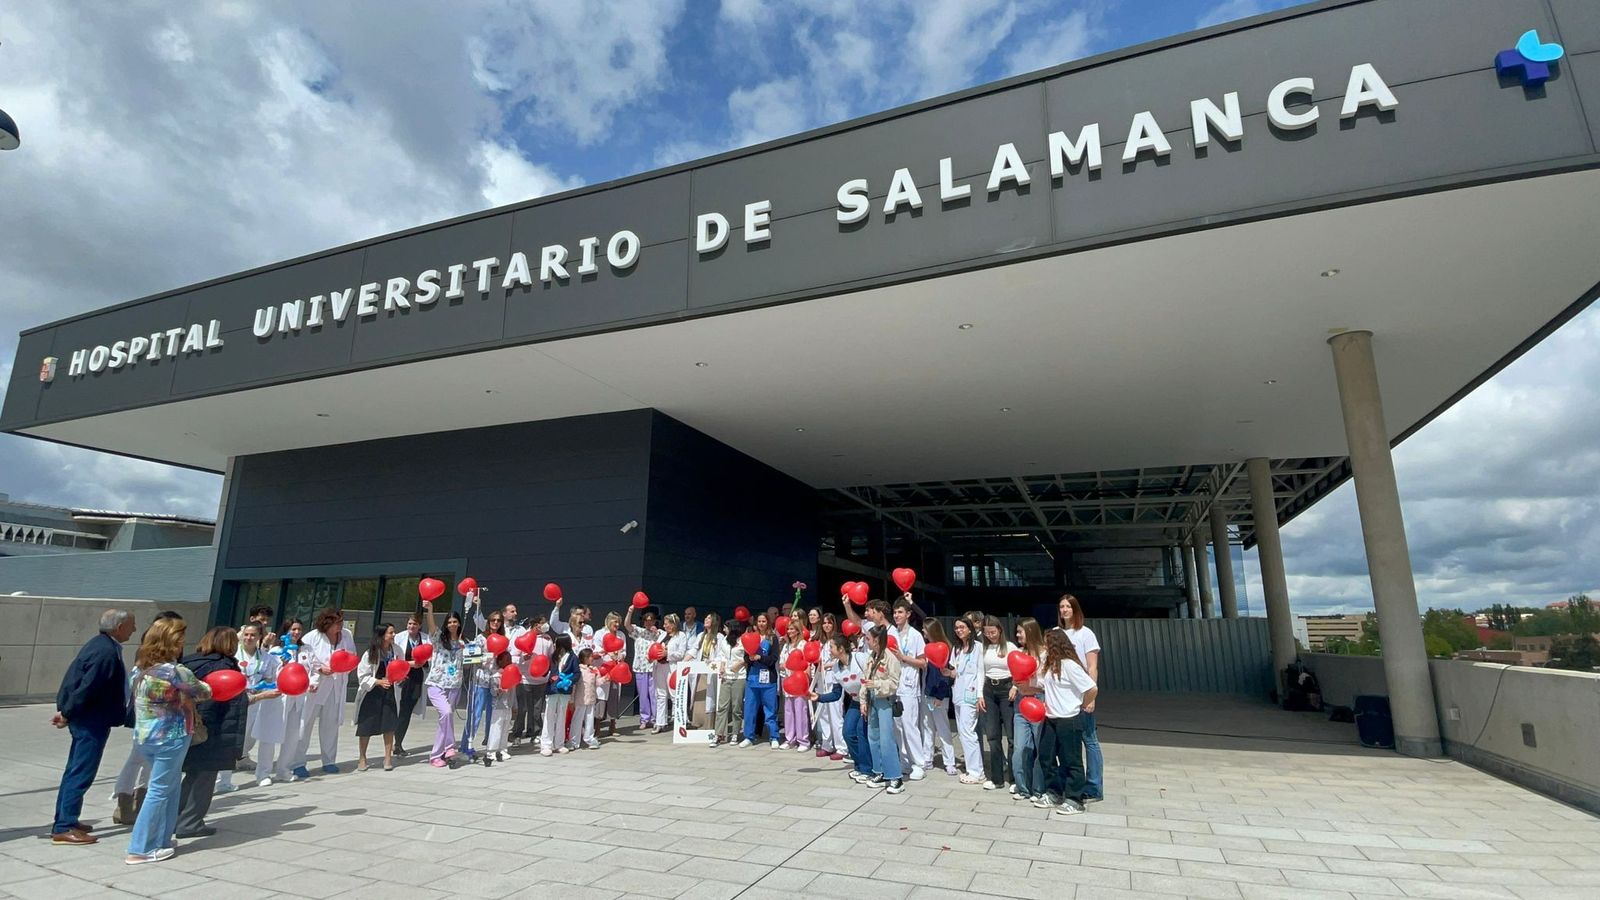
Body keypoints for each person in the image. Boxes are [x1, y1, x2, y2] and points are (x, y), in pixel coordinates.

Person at [126, 617, 210, 865]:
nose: (182, 644)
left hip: (145, 736)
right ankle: (140, 847)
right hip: (170, 736)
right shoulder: (175, 672)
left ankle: (162, 839)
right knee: (160, 790)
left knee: (170, 786)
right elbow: (203, 691)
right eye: (179, 640)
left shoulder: (139, 670)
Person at [50, 609, 135, 845]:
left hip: (90, 719)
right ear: (119, 627)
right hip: (90, 721)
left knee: (76, 771)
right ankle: (64, 826)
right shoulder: (105, 652)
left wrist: (66, 710)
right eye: (131, 625)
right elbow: (88, 687)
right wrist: (67, 712)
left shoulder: (100, 645)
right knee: (80, 772)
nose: (134, 629)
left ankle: (67, 819)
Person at [176, 626, 250, 838]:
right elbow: (230, 703)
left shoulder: (189, 662)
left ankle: (175, 818)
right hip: (215, 728)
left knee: (191, 775)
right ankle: (191, 822)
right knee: (205, 777)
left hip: (189, 725)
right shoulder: (225, 666)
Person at [114, 611, 185, 825]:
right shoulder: (150, 653)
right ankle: (124, 801)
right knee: (138, 757)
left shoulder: (165, 655)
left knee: (146, 761)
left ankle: (140, 797)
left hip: (159, 716)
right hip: (151, 715)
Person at [1036, 629, 1097, 815]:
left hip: (1069, 718)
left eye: (1047, 643)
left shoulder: (1070, 665)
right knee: (1046, 756)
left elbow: (1091, 688)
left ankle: (1075, 799)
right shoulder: (1049, 665)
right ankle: (1054, 792)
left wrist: (1083, 705)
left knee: (1071, 760)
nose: (1044, 647)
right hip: (1051, 717)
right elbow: (1041, 685)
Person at [293, 608, 355, 777]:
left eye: (341, 622)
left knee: (331, 724)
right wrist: (320, 668)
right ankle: (298, 762)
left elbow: (352, 656)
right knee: (305, 724)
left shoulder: (347, 635)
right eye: (337, 623)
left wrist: (343, 666)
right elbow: (302, 659)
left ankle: (329, 760)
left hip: (336, 686)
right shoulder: (312, 637)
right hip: (315, 686)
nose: (340, 626)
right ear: (327, 623)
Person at [1055, 593, 1104, 803]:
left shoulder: (1085, 634)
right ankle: (1069, 783)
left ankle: (1093, 787)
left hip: (1081, 696)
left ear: (1075, 610)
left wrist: (1090, 696)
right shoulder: (1056, 633)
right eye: (1061, 607)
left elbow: (1092, 667)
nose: (1064, 610)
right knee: (1066, 744)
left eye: (1068, 606)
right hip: (1062, 698)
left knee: (1089, 740)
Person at [227, 623, 283, 789]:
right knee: (233, 738)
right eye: (246, 634)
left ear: (259, 637)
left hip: (260, 699)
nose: (249, 638)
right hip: (237, 699)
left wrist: (265, 685)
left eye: (253, 635)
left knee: (264, 736)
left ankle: (263, 773)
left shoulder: (267, 658)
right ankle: (223, 780)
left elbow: (270, 678)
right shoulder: (233, 656)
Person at [888, 598, 929, 780]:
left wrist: (903, 657)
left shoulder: (916, 636)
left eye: (900, 612)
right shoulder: (892, 634)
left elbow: (923, 662)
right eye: (895, 612)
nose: (897, 615)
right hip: (894, 684)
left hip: (910, 686)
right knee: (897, 726)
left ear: (908, 614)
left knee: (910, 725)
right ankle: (904, 761)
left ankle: (918, 763)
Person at [860, 626, 905, 794]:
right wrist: (863, 701)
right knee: (873, 737)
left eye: (868, 639)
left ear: (877, 640)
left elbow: (894, 683)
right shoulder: (871, 657)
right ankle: (879, 772)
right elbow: (865, 680)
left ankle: (896, 777)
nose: (867, 641)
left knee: (887, 740)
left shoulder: (890, 658)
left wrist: (877, 684)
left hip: (884, 700)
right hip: (872, 700)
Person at [1009, 618, 1048, 803]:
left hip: (1039, 703)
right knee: (1020, 748)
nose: (1017, 635)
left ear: (1030, 631)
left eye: (1020, 631)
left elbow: (1049, 683)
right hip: (1020, 704)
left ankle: (1039, 789)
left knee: (1039, 748)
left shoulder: (1046, 654)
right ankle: (1023, 787)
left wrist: (1030, 686)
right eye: (1016, 632)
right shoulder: (1018, 653)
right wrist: (1016, 687)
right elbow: (1017, 677)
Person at [424, 605, 466, 768]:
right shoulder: (439, 638)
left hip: (454, 685)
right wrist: (430, 610)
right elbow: (432, 626)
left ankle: (439, 754)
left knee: (445, 719)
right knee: (446, 713)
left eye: (455, 621)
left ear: (459, 623)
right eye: (449, 622)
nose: (452, 624)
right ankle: (447, 748)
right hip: (436, 683)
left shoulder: (464, 642)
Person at [977, 615, 1016, 790]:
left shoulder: (1010, 647)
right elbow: (980, 672)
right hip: (989, 690)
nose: (991, 635)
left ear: (1000, 630)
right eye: (987, 633)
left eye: (993, 632)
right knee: (992, 736)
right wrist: (980, 695)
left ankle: (1015, 778)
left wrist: (1015, 686)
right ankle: (997, 778)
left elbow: (1017, 668)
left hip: (1006, 688)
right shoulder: (983, 649)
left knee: (1012, 735)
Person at [354, 624, 400, 771]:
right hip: (372, 692)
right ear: (382, 635)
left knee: (389, 725)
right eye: (391, 633)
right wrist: (378, 681)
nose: (393, 635)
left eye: (393, 632)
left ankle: (387, 757)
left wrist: (400, 677)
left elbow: (401, 666)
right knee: (366, 725)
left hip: (390, 691)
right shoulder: (370, 653)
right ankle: (362, 758)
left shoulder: (396, 650)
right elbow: (362, 675)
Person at [950, 617, 986, 785]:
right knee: (963, 732)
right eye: (956, 627)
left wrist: (980, 694)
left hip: (971, 694)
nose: (959, 630)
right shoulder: (956, 648)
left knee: (968, 732)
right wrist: (946, 672)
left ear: (970, 629)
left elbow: (980, 672)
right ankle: (973, 768)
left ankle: (976, 771)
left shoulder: (978, 647)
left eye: (962, 627)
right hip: (958, 693)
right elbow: (954, 671)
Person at [271, 619, 309, 781]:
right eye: (293, 629)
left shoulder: (306, 649)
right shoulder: (276, 650)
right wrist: (282, 664)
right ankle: (264, 771)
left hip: (299, 696)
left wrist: (312, 682)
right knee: (273, 734)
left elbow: (311, 669)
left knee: (293, 734)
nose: (296, 632)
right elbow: (271, 672)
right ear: (286, 631)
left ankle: (284, 769)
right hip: (281, 697)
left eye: (299, 629)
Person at [921, 618, 959, 777]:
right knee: (927, 728)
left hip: (939, 696)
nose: (923, 632)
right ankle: (927, 758)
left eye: (925, 629)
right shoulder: (927, 648)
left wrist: (940, 695)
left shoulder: (945, 649)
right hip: (927, 694)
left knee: (943, 729)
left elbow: (946, 676)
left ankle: (949, 762)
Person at [738, 613, 780, 748]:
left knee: (770, 709)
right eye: (759, 621)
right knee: (749, 708)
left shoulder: (773, 638)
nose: (761, 623)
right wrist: (749, 658)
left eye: (764, 621)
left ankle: (774, 737)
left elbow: (773, 658)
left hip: (768, 680)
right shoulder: (750, 636)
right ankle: (748, 736)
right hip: (752, 678)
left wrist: (759, 658)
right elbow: (745, 657)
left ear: (768, 622)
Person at [392, 613, 431, 757]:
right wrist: (411, 664)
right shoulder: (399, 638)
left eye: (414, 624)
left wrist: (423, 663)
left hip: (416, 679)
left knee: (406, 711)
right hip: (402, 677)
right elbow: (394, 659)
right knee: (400, 710)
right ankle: (395, 743)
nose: (411, 626)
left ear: (419, 625)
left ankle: (398, 743)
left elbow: (430, 658)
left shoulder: (426, 639)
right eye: (409, 624)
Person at [512, 613, 551, 746]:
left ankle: (535, 733)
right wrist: (524, 659)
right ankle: (517, 734)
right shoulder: (524, 637)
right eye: (543, 622)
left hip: (541, 680)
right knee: (522, 709)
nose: (546, 625)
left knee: (537, 709)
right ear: (536, 625)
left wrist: (547, 672)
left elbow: (550, 657)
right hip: (524, 679)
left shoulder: (547, 639)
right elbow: (513, 657)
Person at [622, 605, 664, 729]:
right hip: (640, 667)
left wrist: (656, 632)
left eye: (651, 620)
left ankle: (656, 718)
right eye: (646, 620)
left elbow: (665, 638)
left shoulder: (659, 633)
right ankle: (644, 718)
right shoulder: (639, 631)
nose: (648, 622)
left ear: (655, 621)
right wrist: (630, 611)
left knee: (654, 693)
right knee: (643, 694)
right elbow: (627, 625)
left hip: (653, 667)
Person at [813, 632, 849, 761]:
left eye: (829, 623)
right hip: (821, 679)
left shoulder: (837, 642)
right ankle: (827, 744)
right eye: (825, 623)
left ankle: (841, 747)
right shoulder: (820, 642)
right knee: (823, 714)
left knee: (836, 714)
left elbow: (841, 661)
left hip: (834, 679)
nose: (826, 626)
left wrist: (827, 666)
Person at [710, 619, 746, 746]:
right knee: (722, 706)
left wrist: (740, 664)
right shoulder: (725, 640)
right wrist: (722, 666)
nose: (724, 630)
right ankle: (718, 734)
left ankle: (735, 733)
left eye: (726, 628)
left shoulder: (742, 640)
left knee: (736, 707)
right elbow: (723, 655)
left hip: (739, 677)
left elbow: (746, 656)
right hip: (726, 676)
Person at [541, 634, 578, 756]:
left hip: (565, 690)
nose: (555, 645)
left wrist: (570, 681)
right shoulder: (553, 656)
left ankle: (559, 744)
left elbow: (577, 673)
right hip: (552, 689)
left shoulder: (573, 657)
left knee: (561, 716)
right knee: (549, 715)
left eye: (557, 642)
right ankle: (546, 744)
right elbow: (546, 670)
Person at [779, 617, 811, 751]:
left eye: (792, 629)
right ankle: (790, 738)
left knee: (800, 709)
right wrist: (782, 665)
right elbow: (782, 661)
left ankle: (803, 740)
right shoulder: (786, 645)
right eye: (788, 629)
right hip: (787, 679)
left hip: (798, 680)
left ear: (798, 631)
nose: (789, 631)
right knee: (788, 710)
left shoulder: (803, 644)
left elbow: (807, 663)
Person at [592, 612, 625, 737]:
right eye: (615, 621)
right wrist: (606, 653)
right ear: (608, 621)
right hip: (603, 668)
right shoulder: (600, 633)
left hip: (616, 670)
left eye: (618, 622)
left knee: (614, 696)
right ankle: (597, 727)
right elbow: (595, 649)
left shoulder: (621, 635)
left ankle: (613, 725)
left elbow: (624, 650)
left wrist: (621, 656)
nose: (617, 624)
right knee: (600, 698)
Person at [479, 649, 514, 763]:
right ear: (499, 661)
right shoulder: (495, 676)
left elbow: (514, 693)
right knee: (496, 728)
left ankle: (503, 749)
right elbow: (493, 692)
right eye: (506, 660)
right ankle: (491, 750)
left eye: (510, 659)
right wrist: (499, 690)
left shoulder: (512, 674)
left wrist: (515, 705)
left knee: (505, 728)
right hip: (498, 706)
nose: (509, 662)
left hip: (508, 705)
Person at [658, 613, 689, 732]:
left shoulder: (681, 635)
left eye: (667, 624)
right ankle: (660, 722)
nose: (665, 626)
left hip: (673, 667)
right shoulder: (662, 635)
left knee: (675, 694)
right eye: (664, 624)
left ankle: (680, 720)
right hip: (660, 667)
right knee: (661, 694)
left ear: (673, 624)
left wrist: (668, 653)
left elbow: (681, 653)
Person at [696, 612, 722, 729]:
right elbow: (693, 650)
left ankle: (712, 725)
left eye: (709, 618)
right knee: (701, 697)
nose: (706, 619)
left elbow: (721, 654)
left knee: (712, 697)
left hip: (713, 671)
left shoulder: (719, 637)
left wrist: (712, 661)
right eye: (705, 617)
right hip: (701, 670)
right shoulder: (701, 636)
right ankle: (700, 724)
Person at [572, 648, 601, 749]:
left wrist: (606, 678)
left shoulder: (594, 669)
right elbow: (574, 685)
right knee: (577, 719)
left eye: (592, 656)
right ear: (584, 658)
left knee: (589, 720)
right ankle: (574, 740)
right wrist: (571, 700)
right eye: (590, 656)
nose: (592, 658)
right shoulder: (579, 670)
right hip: (580, 698)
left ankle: (589, 738)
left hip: (591, 698)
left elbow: (597, 682)